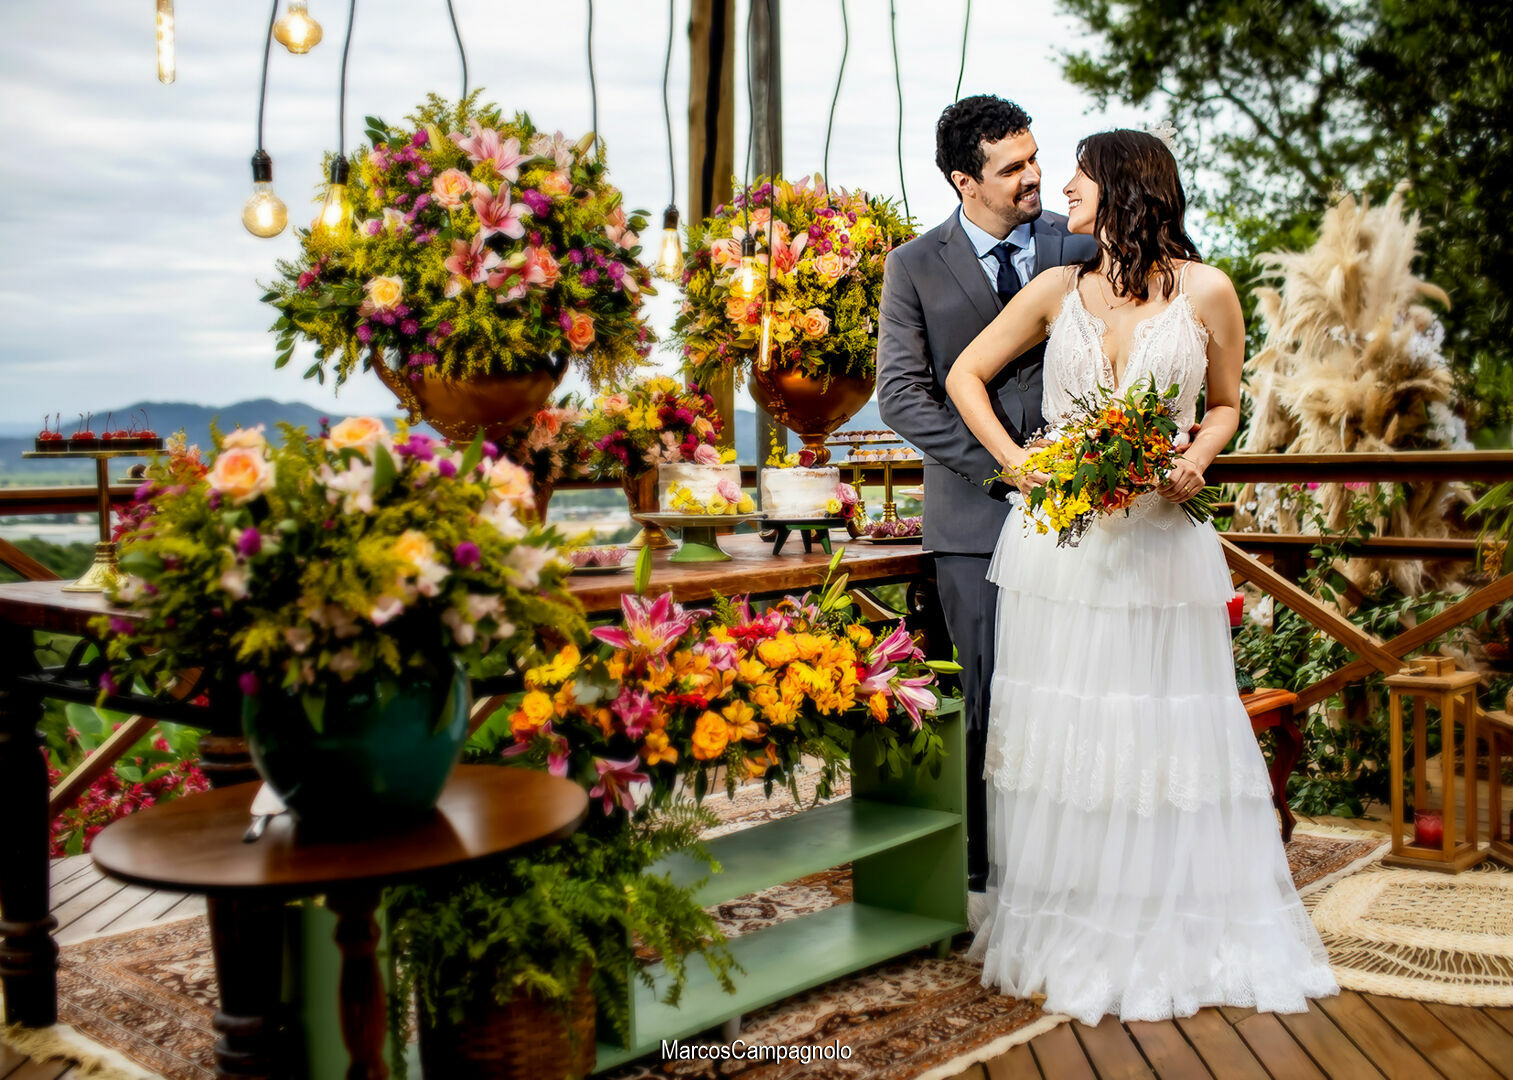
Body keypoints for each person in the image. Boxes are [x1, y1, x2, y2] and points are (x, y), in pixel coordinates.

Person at [943, 128, 1338, 1023]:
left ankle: (1166, 923)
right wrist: (1018, 460)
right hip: (1061, 549)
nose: (1062, 190)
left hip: (1161, 544)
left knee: (1160, 734)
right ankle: (1065, 925)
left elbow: (1229, 402)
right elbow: (966, 373)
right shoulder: (1054, 290)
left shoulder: (1208, 290)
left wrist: (1198, 450)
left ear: (1123, 185)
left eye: (1078, 177)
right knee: (1062, 735)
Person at [877, 97, 1096, 925]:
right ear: (964, 182)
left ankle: (1066, 855)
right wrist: (1008, 471)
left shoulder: (1077, 243)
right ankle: (980, 871)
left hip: (1087, 512)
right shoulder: (913, 266)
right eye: (1012, 167)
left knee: (1073, 685)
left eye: (1034, 157)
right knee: (987, 694)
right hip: (972, 523)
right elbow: (900, 395)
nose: (1034, 175)